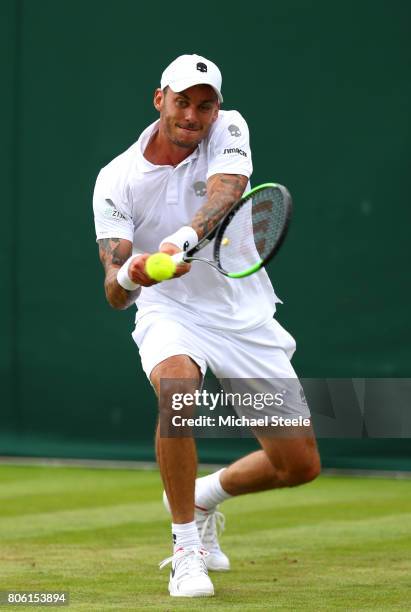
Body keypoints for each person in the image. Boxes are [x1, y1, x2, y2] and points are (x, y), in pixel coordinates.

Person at [93, 53, 321, 598]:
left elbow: (225, 194)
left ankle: (203, 496)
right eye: (183, 102)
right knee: (177, 391)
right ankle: (185, 549)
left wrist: (176, 244)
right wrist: (132, 271)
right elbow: (113, 293)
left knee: (298, 465)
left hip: (243, 315)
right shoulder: (115, 179)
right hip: (171, 310)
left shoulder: (230, 127)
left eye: (205, 104)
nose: (194, 115)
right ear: (159, 99)